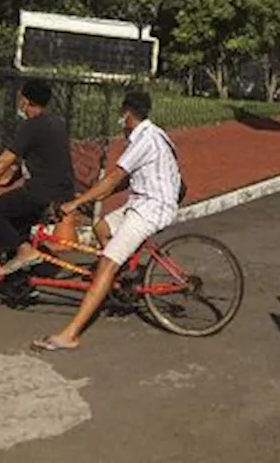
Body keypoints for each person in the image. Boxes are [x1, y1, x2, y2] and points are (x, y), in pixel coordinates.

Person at [32, 89, 182, 352]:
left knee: (105, 266)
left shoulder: (144, 140)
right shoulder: (154, 133)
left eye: (121, 115)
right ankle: (122, 280)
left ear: (127, 115)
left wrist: (76, 203)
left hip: (151, 208)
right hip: (143, 202)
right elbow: (121, 181)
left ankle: (71, 334)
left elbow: (113, 178)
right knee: (102, 227)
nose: (120, 121)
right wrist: (92, 197)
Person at [0, 79, 76, 274]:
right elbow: (38, 158)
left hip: (40, 193)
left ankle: (25, 251)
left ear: (26, 101)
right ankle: (19, 281)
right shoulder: (56, 124)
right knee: (15, 225)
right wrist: (7, 180)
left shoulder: (32, 126)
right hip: (61, 193)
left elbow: (4, 161)